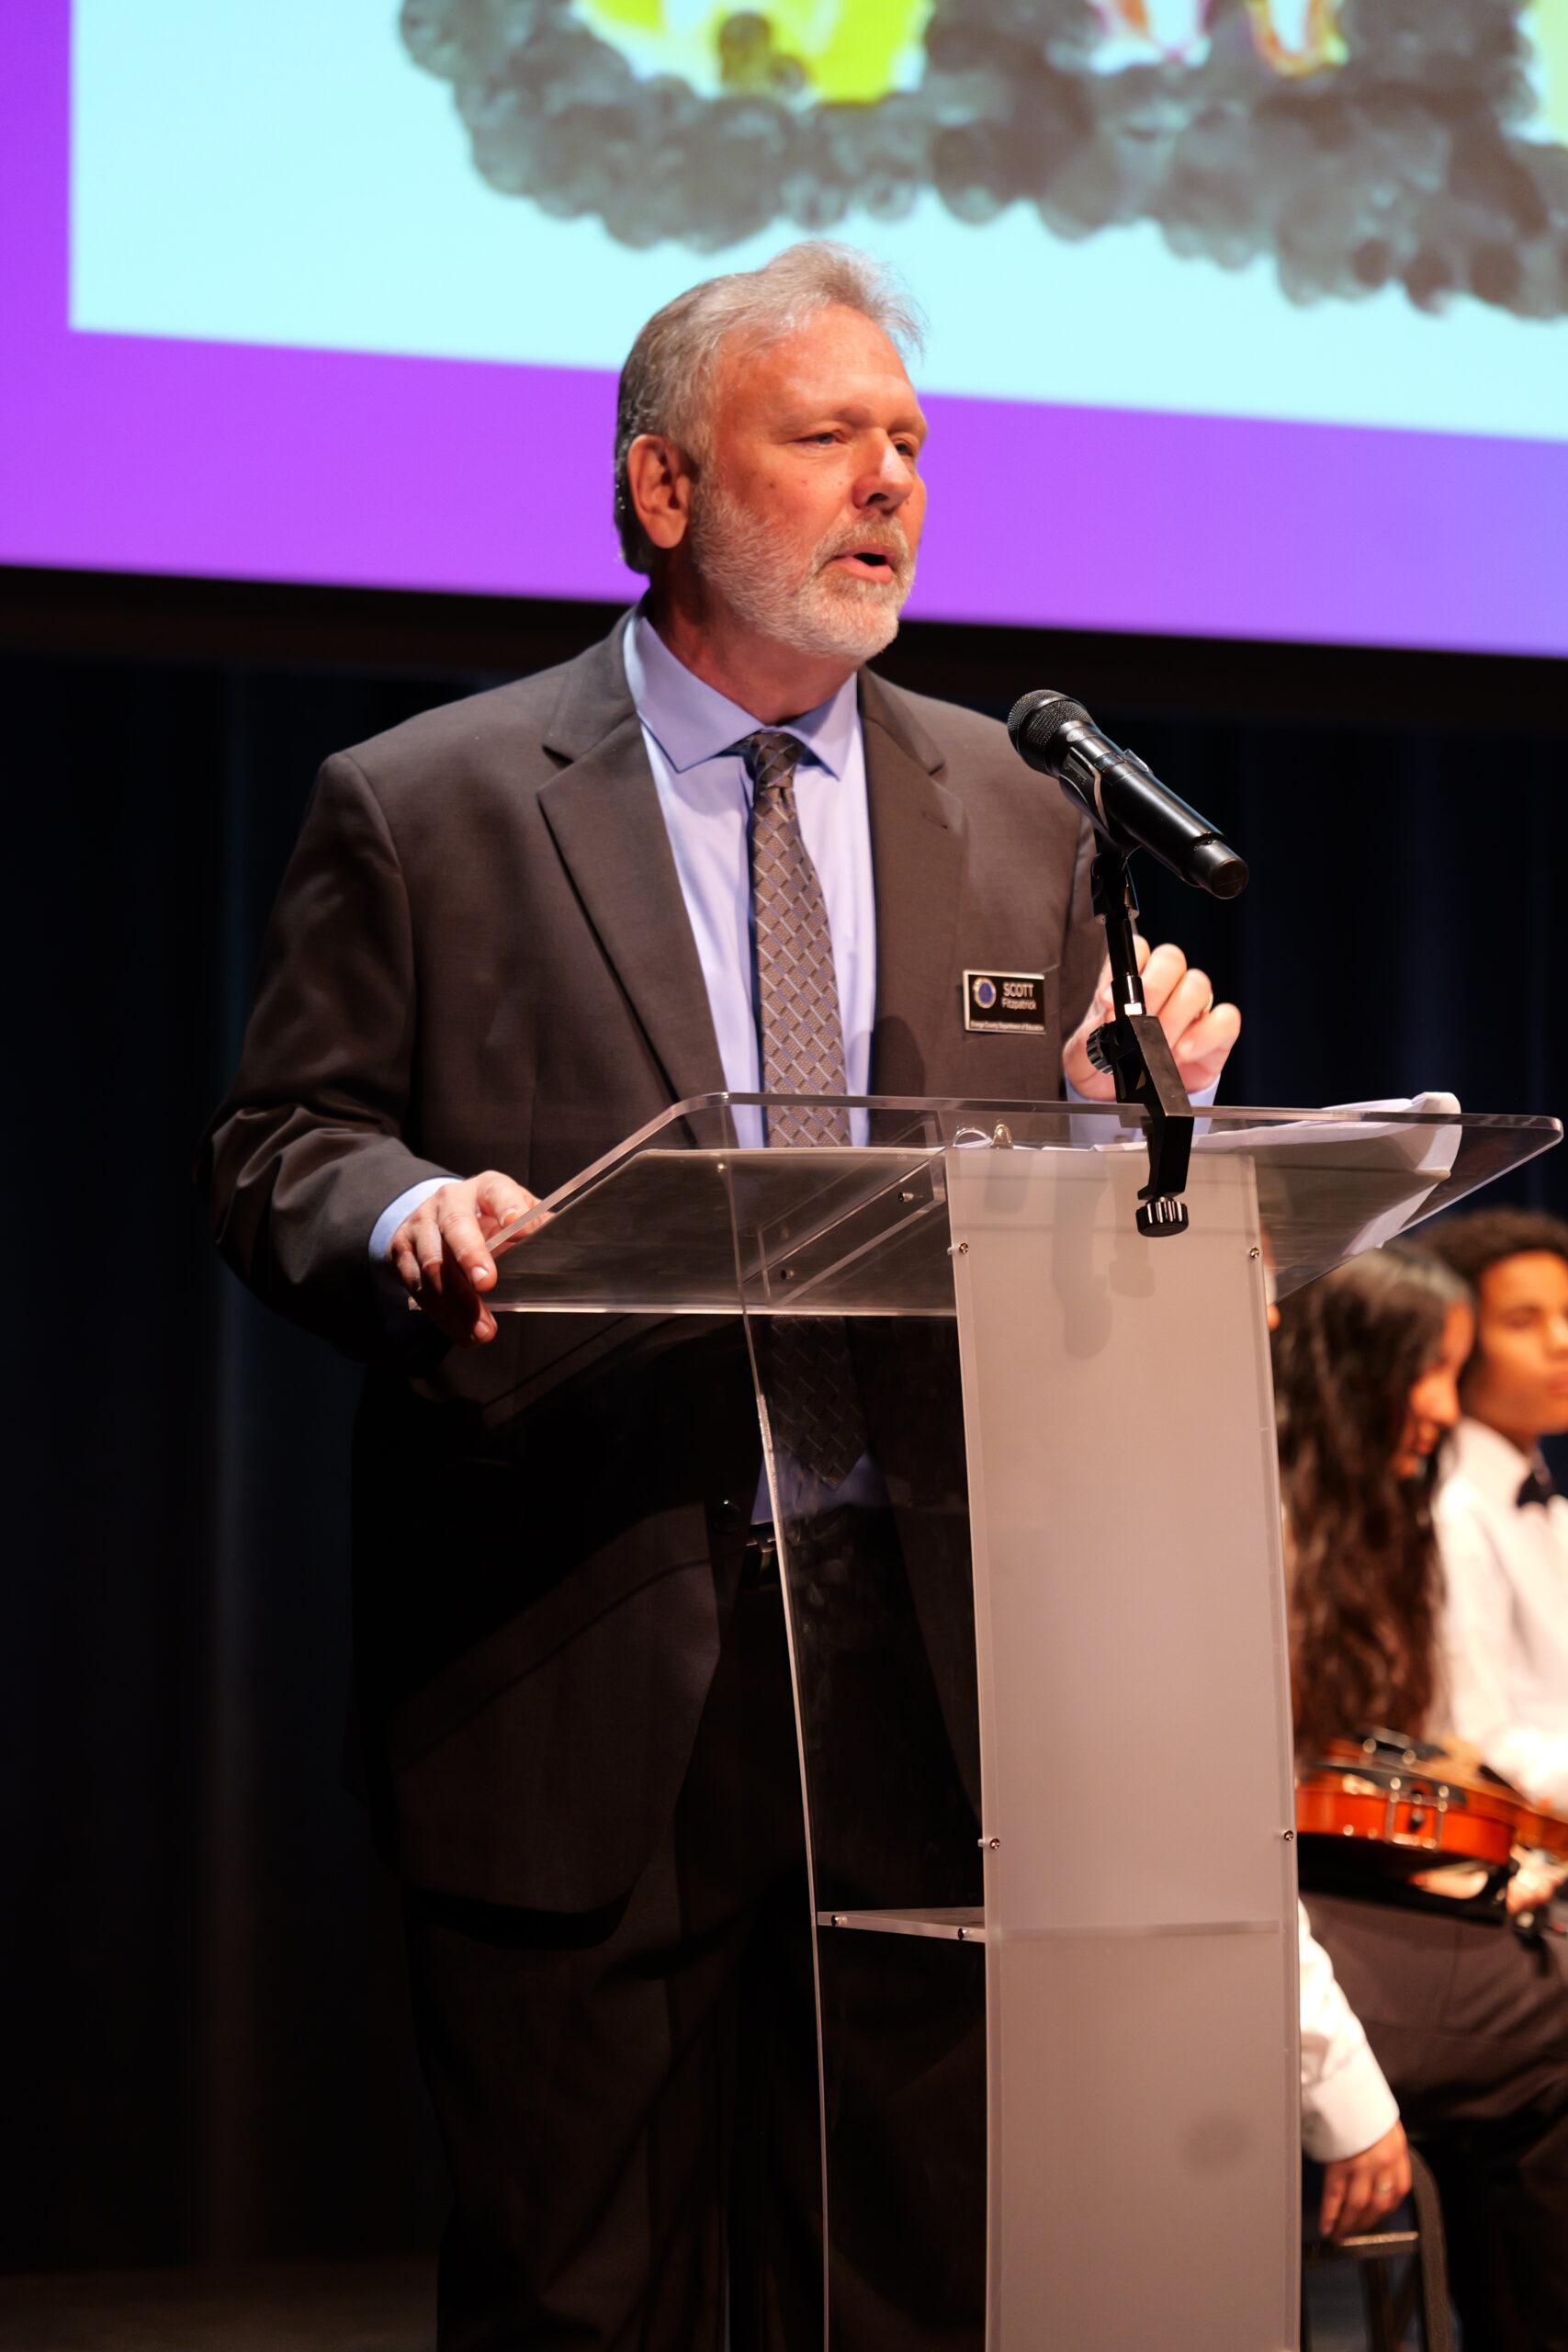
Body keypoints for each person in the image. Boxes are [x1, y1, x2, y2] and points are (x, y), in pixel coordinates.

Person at [198, 241, 1239, 2351]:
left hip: (925, 1684)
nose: (888, 484)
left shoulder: (1022, 807)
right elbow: (277, 1145)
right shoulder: (430, 802)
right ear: (663, 488)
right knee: (589, 2294)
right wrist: (401, 1210)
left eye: (912, 444)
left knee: (910, 2281)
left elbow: (1031, 1232)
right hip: (580, 1652)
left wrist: (1099, 1124)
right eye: (825, 436)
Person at [1277, 1245, 1568, 2351]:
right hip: (1266, 1937)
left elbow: (1383, 1769)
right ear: (1351, 1373)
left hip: (1335, 1904)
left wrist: (1460, 1858)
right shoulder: (1268, 1533)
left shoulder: (1369, 1524)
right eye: (1426, 1371)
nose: (1444, 1409)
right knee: (1553, 2005)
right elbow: (1244, 1841)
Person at [1420, 1209, 1568, 1813]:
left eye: (1566, 1315)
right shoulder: (1453, 1509)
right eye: (1521, 1321)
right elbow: (1474, 1744)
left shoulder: (1547, 1507)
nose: (1560, 1342)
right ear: (1455, 1343)